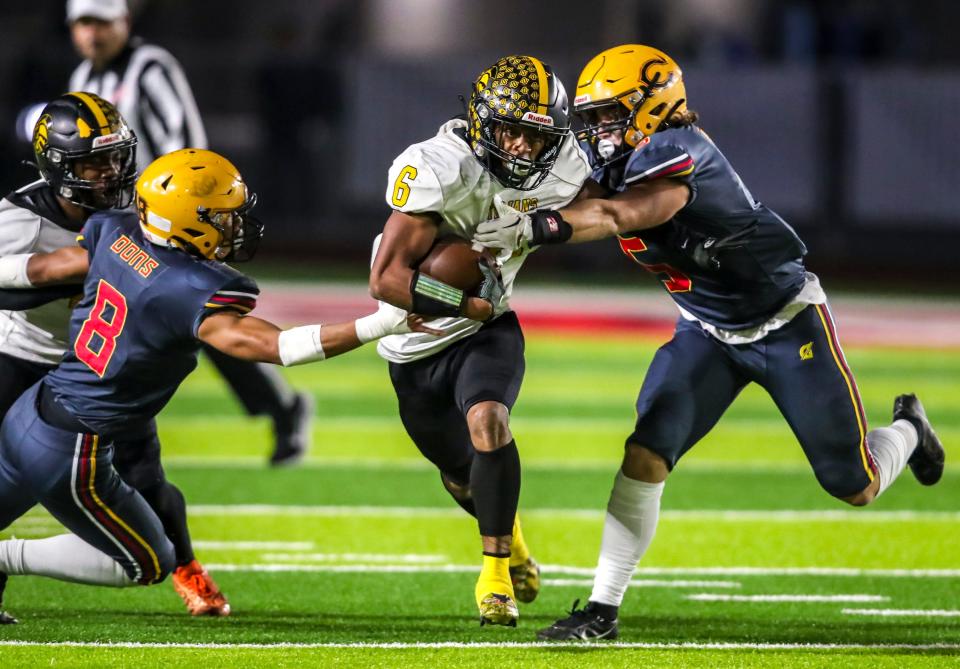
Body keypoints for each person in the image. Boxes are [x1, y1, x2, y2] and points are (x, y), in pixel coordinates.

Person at [473, 43, 945, 641]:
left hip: (784, 321)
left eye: (608, 115)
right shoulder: (617, 160)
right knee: (645, 453)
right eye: (590, 119)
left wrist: (535, 226)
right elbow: (585, 199)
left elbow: (621, 216)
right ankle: (601, 610)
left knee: (855, 483)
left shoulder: (678, 151)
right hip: (705, 329)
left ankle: (909, 431)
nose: (597, 130)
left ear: (653, 105)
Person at [0, 146, 429, 624]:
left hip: (31, 409)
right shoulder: (187, 284)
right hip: (74, 446)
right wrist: (376, 325)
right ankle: (6, 558)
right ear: (186, 220)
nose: (234, 225)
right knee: (147, 562)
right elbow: (276, 346)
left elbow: (41, 269)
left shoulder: (115, 229)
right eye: (223, 217)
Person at [368, 54, 593, 627]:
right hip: (416, 339)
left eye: (535, 137)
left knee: (490, 421)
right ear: (483, 122)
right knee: (459, 473)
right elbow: (387, 279)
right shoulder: (442, 166)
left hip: (491, 327)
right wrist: (462, 301)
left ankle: (494, 579)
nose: (521, 147)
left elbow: (607, 205)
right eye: (510, 131)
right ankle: (511, 539)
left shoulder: (564, 162)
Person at [0, 91, 236, 616]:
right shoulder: (17, 221)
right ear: (57, 165)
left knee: (146, 477)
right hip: (25, 358)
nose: (108, 173)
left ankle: (187, 568)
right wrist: (72, 276)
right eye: (91, 162)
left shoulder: (135, 208)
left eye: (114, 157)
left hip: (100, 368)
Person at [66, 0, 313, 467]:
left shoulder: (151, 67)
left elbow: (186, 145)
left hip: (161, 223)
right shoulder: (83, 78)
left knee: (201, 322)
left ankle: (279, 409)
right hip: (120, 224)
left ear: (124, 22)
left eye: (100, 21)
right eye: (83, 22)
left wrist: (176, 216)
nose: (91, 33)